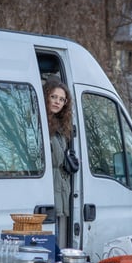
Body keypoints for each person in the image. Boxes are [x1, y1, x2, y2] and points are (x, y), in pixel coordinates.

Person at [44, 78, 79, 250]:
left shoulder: (60, 127)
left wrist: (68, 160)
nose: (57, 102)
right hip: (47, 193)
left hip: (59, 193)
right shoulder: (40, 123)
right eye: (54, 97)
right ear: (46, 97)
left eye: (61, 99)